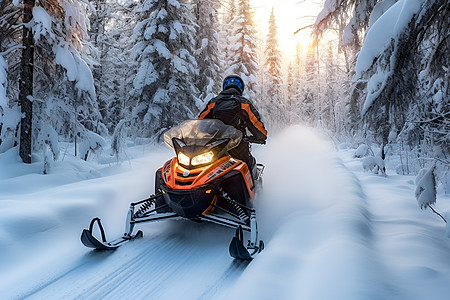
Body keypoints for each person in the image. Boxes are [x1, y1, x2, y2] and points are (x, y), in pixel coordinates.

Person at [198, 75, 267, 172]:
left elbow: (200, 122)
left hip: (215, 146)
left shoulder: (213, 102)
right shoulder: (244, 103)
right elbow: (255, 123)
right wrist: (261, 136)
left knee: (204, 168)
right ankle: (254, 186)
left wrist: (200, 134)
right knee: (249, 166)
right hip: (238, 146)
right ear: (240, 88)